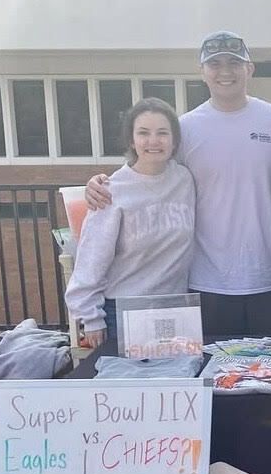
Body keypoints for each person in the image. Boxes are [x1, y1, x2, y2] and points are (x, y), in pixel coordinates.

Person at [85, 30, 271, 336]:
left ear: (250, 69)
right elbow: (148, 167)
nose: (225, 71)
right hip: (205, 283)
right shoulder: (185, 128)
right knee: (215, 379)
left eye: (234, 63)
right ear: (202, 72)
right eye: (215, 64)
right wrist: (104, 184)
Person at [65, 98, 195, 347]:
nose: (153, 141)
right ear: (131, 140)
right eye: (143, 133)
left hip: (177, 309)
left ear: (175, 140)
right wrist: (92, 319)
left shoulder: (185, 180)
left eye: (162, 133)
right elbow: (90, 262)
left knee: (177, 380)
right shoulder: (111, 191)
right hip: (125, 312)